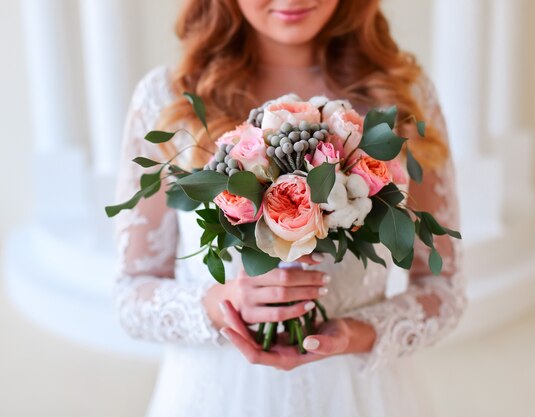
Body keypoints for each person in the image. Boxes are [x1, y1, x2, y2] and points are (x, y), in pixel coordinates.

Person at [113, 1, 467, 416]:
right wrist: (223, 304)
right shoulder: (167, 100)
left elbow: (444, 289)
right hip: (219, 393)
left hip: (356, 391)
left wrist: (355, 334)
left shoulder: (402, 95)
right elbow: (130, 294)